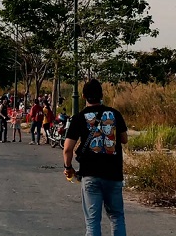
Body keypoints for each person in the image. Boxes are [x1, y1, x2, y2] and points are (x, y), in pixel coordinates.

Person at [63, 79, 128, 236]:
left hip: (90, 174)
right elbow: (124, 139)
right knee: (117, 217)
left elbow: (67, 149)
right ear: (101, 95)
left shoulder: (78, 118)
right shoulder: (115, 114)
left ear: (84, 96)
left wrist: (68, 167)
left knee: (92, 221)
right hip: (113, 174)